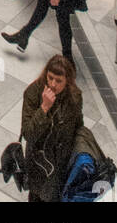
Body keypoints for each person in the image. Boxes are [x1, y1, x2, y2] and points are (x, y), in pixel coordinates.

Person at [20, 56, 84, 203]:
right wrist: (44, 108)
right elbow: (28, 133)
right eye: (50, 78)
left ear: (67, 80)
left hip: (61, 162)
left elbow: (78, 126)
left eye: (59, 80)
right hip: (39, 163)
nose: (53, 84)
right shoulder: (33, 92)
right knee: (37, 196)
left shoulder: (74, 96)